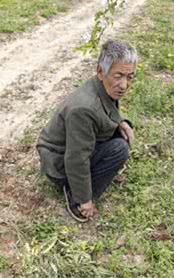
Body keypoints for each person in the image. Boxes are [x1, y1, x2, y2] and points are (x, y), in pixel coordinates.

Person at [36, 39, 137, 222]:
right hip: (59, 160)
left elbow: (105, 111)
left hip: (68, 148)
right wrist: (84, 199)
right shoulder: (84, 109)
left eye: (129, 77)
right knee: (119, 149)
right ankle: (73, 194)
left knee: (119, 135)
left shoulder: (103, 86)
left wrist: (121, 121)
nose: (124, 85)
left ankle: (82, 186)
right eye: (119, 76)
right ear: (100, 71)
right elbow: (76, 158)